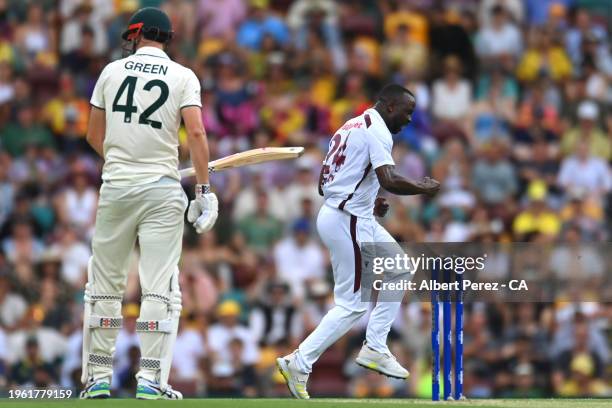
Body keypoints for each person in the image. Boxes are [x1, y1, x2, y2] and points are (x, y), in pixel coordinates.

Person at [80, 7, 218, 400]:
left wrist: (126, 163)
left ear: (137, 34)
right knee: (159, 289)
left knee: (105, 286)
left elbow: (94, 136)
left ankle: (98, 378)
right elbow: (195, 130)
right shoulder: (183, 76)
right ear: (168, 38)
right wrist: (204, 191)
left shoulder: (111, 71)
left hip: (117, 188)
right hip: (163, 189)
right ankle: (150, 379)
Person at [276, 84, 440, 399]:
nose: (408, 120)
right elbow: (390, 179)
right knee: (352, 305)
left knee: (400, 268)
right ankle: (300, 361)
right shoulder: (378, 131)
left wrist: (368, 200)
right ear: (390, 106)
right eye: (407, 113)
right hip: (348, 220)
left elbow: (329, 184)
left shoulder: (351, 125)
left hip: (347, 213)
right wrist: (422, 187)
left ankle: (376, 346)